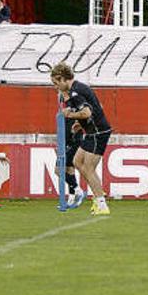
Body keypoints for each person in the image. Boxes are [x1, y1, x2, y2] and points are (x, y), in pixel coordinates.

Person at [50, 62, 112, 215]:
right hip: (92, 131)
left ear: (63, 78)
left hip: (98, 133)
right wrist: (79, 123)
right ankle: (97, 195)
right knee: (78, 162)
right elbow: (93, 107)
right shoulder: (78, 88)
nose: (55, 87)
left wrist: (70, 115)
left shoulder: (75, 92)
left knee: (89, 168)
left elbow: (86, 113)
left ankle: (101, 203)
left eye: (56, 83)